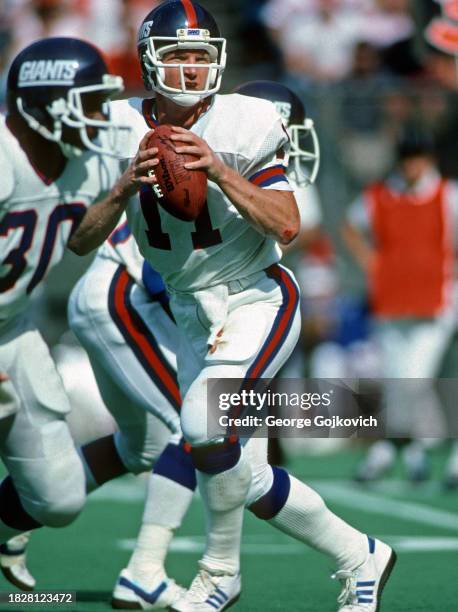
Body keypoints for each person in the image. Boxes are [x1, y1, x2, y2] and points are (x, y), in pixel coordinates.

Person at [64, 3, 397, 610]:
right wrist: (120, 189)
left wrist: (217, 170)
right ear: (149, 60)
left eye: (201, 57)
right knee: (246, 475)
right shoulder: (116, 126)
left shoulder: (246, 122)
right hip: (190, 310)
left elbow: (288, 224)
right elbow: (80, 239)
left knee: (201, 426)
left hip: (255, 297)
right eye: (178, 56)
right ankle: (361, 555)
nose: (191, 71)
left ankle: (218, 573)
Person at [342, 126, 458, 483]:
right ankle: (406, 452)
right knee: (397, 382)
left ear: (429, 160)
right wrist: (368, 260)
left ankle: (393, 450)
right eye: (407, 159)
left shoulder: (447, 195)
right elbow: (349, 226)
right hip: (391, 303)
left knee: (415, 381)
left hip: (436, 304)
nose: (412, 167)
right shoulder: (379, 195)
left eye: (417, 158)